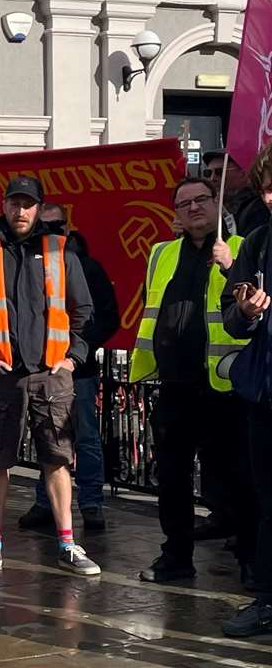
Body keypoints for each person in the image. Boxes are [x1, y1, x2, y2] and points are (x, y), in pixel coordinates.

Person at [0, 176, 100, 580]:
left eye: (27, 204)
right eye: (13, 203)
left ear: (39, 208)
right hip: (2, 374)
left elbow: (84, 310)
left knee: (57, 460)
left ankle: (67, 543)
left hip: (50, 373)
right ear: (3, 205)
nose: (19, 211)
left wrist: (74, 358)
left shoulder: (60, 251)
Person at [126, 177, 250, 585]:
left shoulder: (241, 248)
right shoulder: (161, 253)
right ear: (175, 214)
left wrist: (230, 266)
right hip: (175, 384)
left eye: (201, 200)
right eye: (184, 204)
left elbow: (252, 310)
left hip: (224, 387)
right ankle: (176, 556)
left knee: (236, 480)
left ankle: (250, 562)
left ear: (218, 204)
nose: (193, 208)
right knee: (173, 479)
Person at [18, 202, 118, 534]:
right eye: (42, 227)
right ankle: (46, 503)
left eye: (55, 226)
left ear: (66, 227)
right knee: (47, 439)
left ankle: (91, 503)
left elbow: (103, 316)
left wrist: (78, 353)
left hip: (79, 369)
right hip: (43, 368)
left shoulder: (84, 265)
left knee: (86, 437)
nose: (49, 233)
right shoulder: (29, 263)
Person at [220, 142, 272, 638]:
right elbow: (231, 316)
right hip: (264, 393)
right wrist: (247, 311)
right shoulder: (256, 243)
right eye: (265, 187)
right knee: (266, 503)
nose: (271, 196)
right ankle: (266, 601)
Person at [207, 149, 270, 237]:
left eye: (219, 172)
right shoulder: (215, 208)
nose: (212, 178)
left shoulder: (258, 208)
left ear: (244, 173)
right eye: (208, 173)